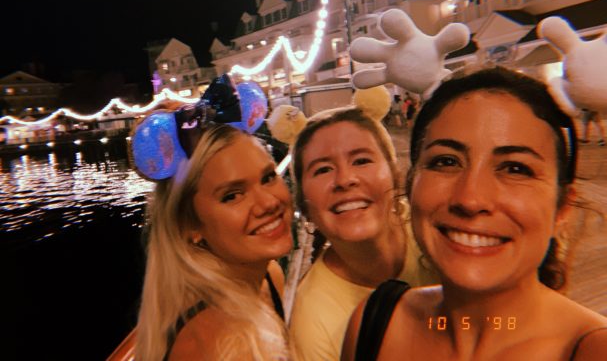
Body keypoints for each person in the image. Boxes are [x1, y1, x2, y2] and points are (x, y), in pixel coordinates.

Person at [342, 67, 607, 360]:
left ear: (562, 208)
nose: (470, 199)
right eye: (446, 161)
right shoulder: (376, 324)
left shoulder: (591, 349)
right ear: (411, 184)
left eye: (515, 168)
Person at [133, 109, 294, 360]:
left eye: (268, 177)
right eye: (232, 195)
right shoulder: (226, 344)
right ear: (189, 224)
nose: (269, 203)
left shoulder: (268, 277)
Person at [287, 106, 438, 361]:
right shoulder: (312, 324)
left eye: (361, 161)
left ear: (394, 175)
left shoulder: (436, 230)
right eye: (323, 169)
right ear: (305, 207)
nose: (345, 179)